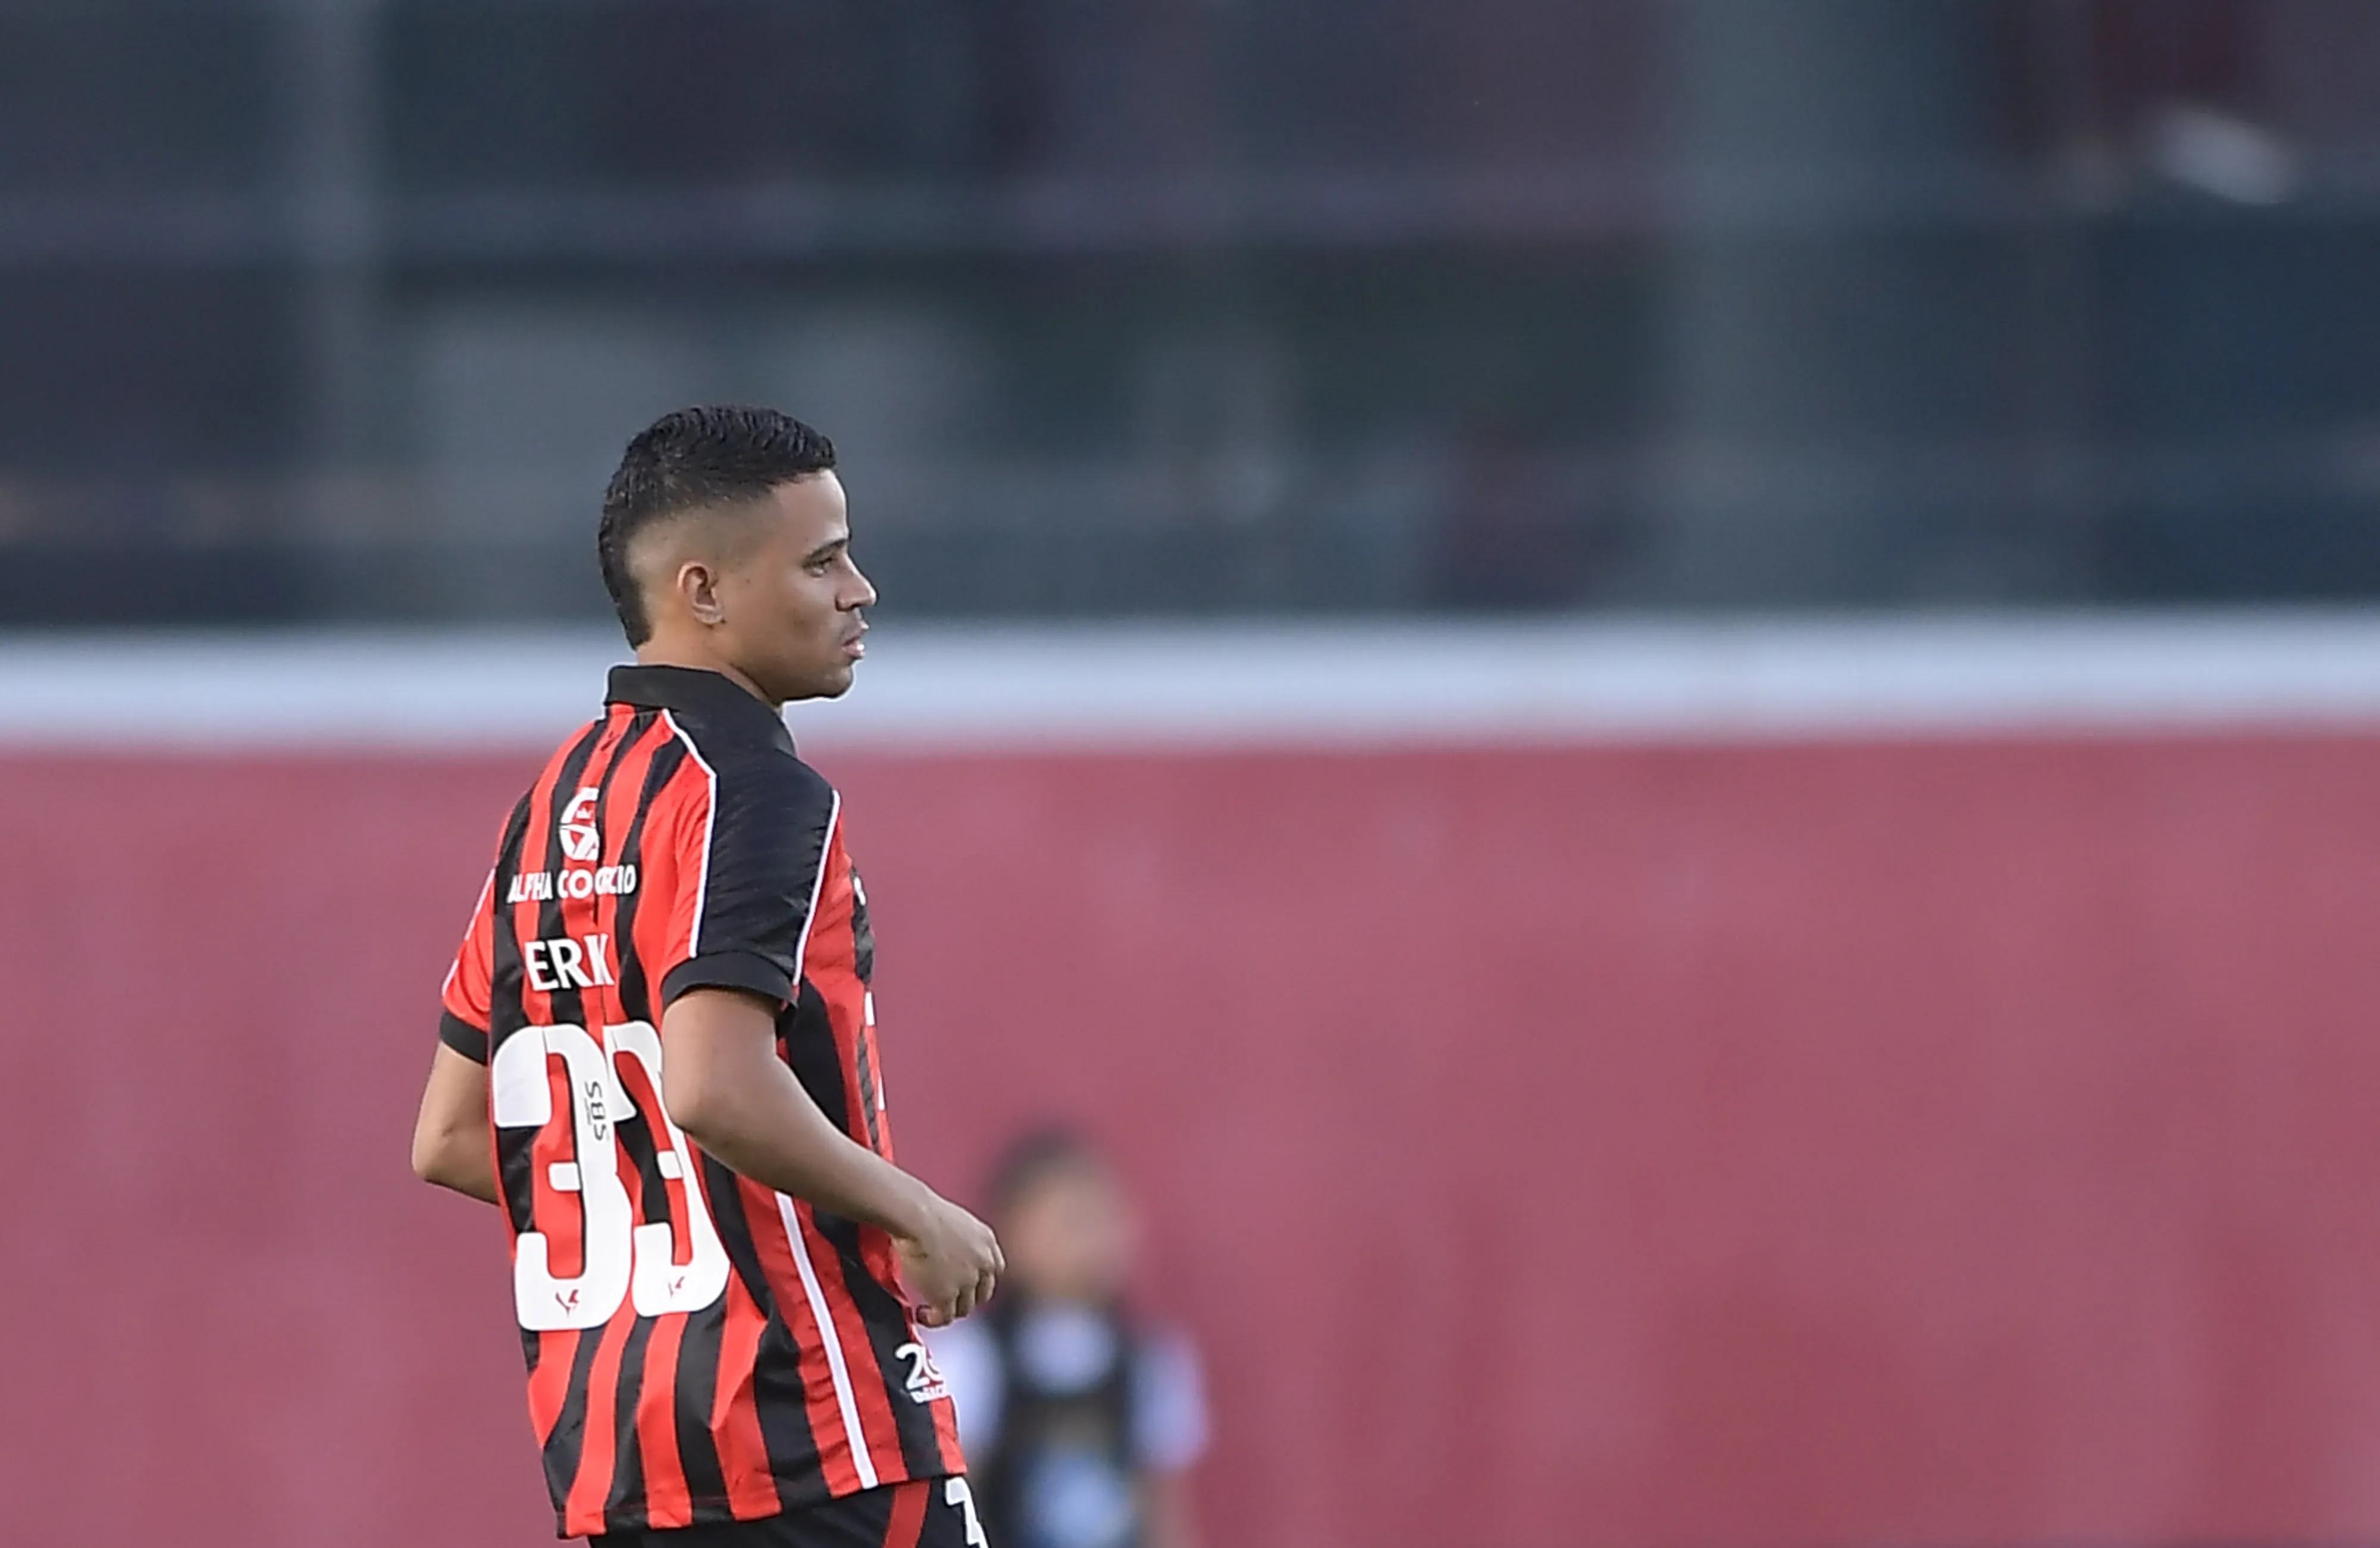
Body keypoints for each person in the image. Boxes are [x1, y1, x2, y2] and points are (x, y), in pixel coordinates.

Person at [409, 405, 1004, 1547]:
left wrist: (661, 1206)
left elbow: (449, 1134)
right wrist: (913, 1209)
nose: (860, 588)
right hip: (816, 1440)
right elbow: (715, 1089)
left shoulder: (545, 811)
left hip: (615, 1459)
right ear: (707, 590)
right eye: (823, 559)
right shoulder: (759, 793)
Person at [927, 1130, 1207, 1548]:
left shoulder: (1149, 1359)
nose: (1091, 1242)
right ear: (1010, 1234)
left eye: (1102, 1219)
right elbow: (954, 1503)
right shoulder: (974, 1358)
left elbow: (1164, 1512)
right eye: (1070, 1222)